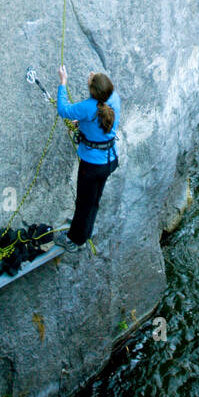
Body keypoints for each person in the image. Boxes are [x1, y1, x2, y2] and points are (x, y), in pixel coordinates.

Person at [56, 64, 119, 260]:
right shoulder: (114, 99)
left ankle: (75, 239)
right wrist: (82, 123)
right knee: (93, 200)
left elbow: (63, 109)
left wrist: (63, 83)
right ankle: (84, 228)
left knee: (84, 203)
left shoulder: (88, 107)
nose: (91, 74)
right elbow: (98, 120)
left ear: (93, 91)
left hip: (93, 166)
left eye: (93, 77)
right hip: (110, 159)